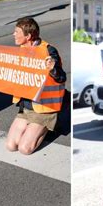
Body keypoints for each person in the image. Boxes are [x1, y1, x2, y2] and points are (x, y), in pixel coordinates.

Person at [6, 17, 66, 155]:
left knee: (24, 149)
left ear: (28, 36)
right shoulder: (20, 51)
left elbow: (62, 77)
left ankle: (47, 127)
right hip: (27, 108)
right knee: (11, 146)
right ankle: (33, 128)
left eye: (16, 32)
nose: (13, 34)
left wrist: (53, 69)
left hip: (44, 108)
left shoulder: (48, 50)